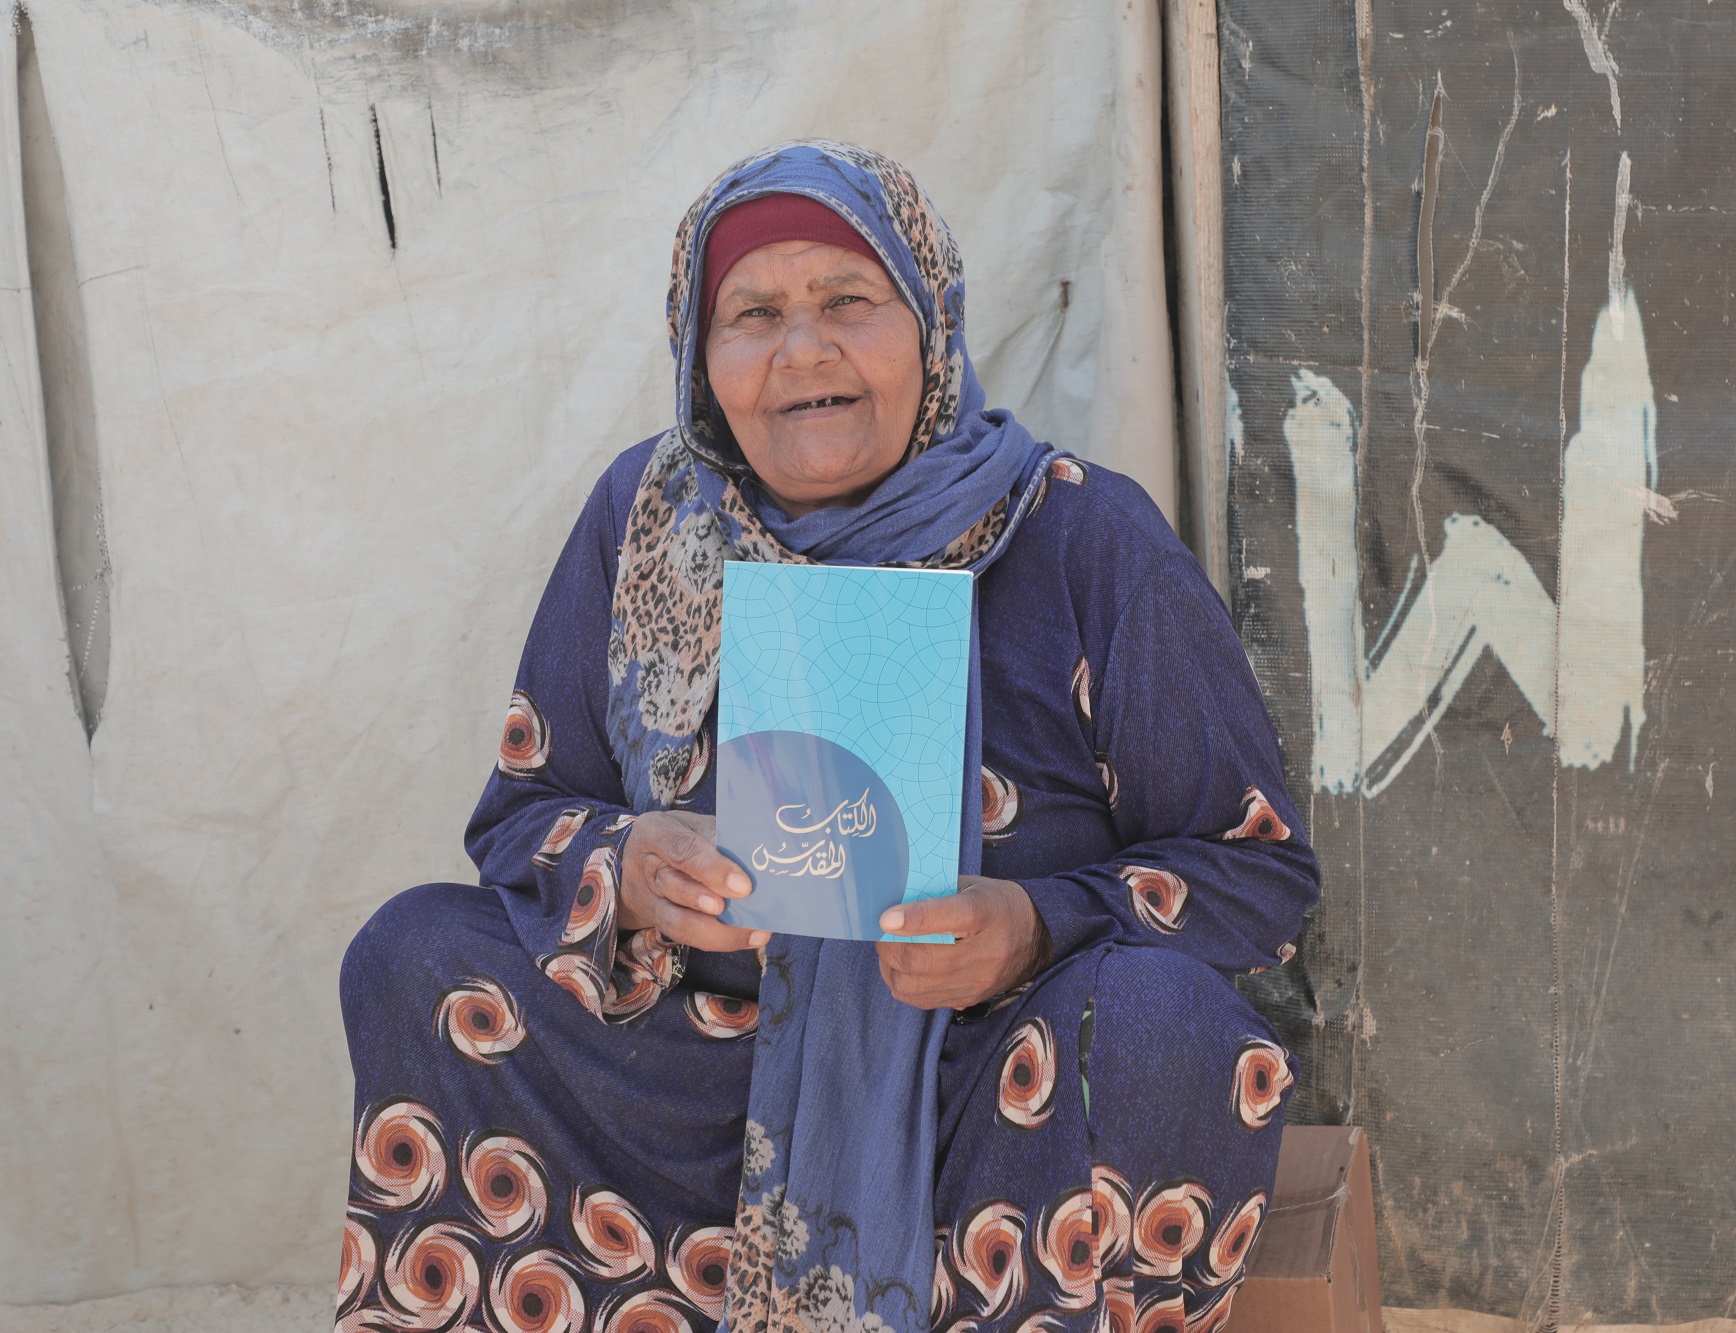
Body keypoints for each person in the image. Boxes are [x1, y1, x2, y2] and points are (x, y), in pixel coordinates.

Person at [338, 141, 1319, 1333]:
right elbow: (523, 815)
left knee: (1164, 1029)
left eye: (848, 302)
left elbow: (1252, 870)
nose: (803, 351)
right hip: (697, 1084)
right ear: (702, 359)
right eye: (751, 313)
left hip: (982, 1099)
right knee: (415, 953)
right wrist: (632, 867)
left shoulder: (1078, 536)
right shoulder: (646, 516)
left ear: (931, 324)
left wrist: (1028, 928)